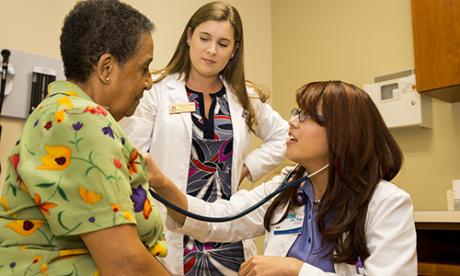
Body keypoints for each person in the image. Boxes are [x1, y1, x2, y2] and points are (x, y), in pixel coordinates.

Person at [146, 80, 418, 275]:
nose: (293, 122)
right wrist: (162, 183)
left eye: (307, 116)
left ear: (342, 133)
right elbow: (222, 219)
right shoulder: (288, 188)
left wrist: (295, 270)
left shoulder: (386, 204)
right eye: (297, 112)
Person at [0, 1, 171, 275]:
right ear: (106, 69)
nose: (149, 82)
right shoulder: (78, 120)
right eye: (144, 68)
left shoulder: (63, 114)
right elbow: (125, 263)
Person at [121, 1, 288, 275]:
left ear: (234, 50)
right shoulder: (157, 89)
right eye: (204, 38)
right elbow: (133, 157)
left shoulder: (244, 97)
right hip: (173, 232)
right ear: (189, 37)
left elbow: (283, 135)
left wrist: (248, 166)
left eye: (223, 44)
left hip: (227, 237)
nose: (211, 50)